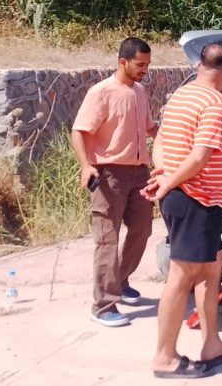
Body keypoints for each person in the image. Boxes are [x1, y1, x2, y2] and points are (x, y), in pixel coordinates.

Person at [144, 42, 222, 379]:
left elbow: (160, 142)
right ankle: (164, 357)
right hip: (194, 199)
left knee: (212, 267)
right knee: (182, 276)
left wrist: (163, 175)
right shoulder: (216, 103)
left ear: (200, 65)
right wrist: (170, 182)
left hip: (193, 198)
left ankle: (212, 344)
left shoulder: (180, 95)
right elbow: (200, 156)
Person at [71, 37, 157, 328]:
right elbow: (79, 131)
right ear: (123, 62)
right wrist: (86, 166)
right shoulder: (102, 92)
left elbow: (150, 127)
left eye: (147, 64)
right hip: (109, 175)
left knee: (143, 230)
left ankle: (120, 281)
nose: (145, 69)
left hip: (139, 173)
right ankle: (103, 304)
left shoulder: (140, 91)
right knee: (107, 239)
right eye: (140, 64)